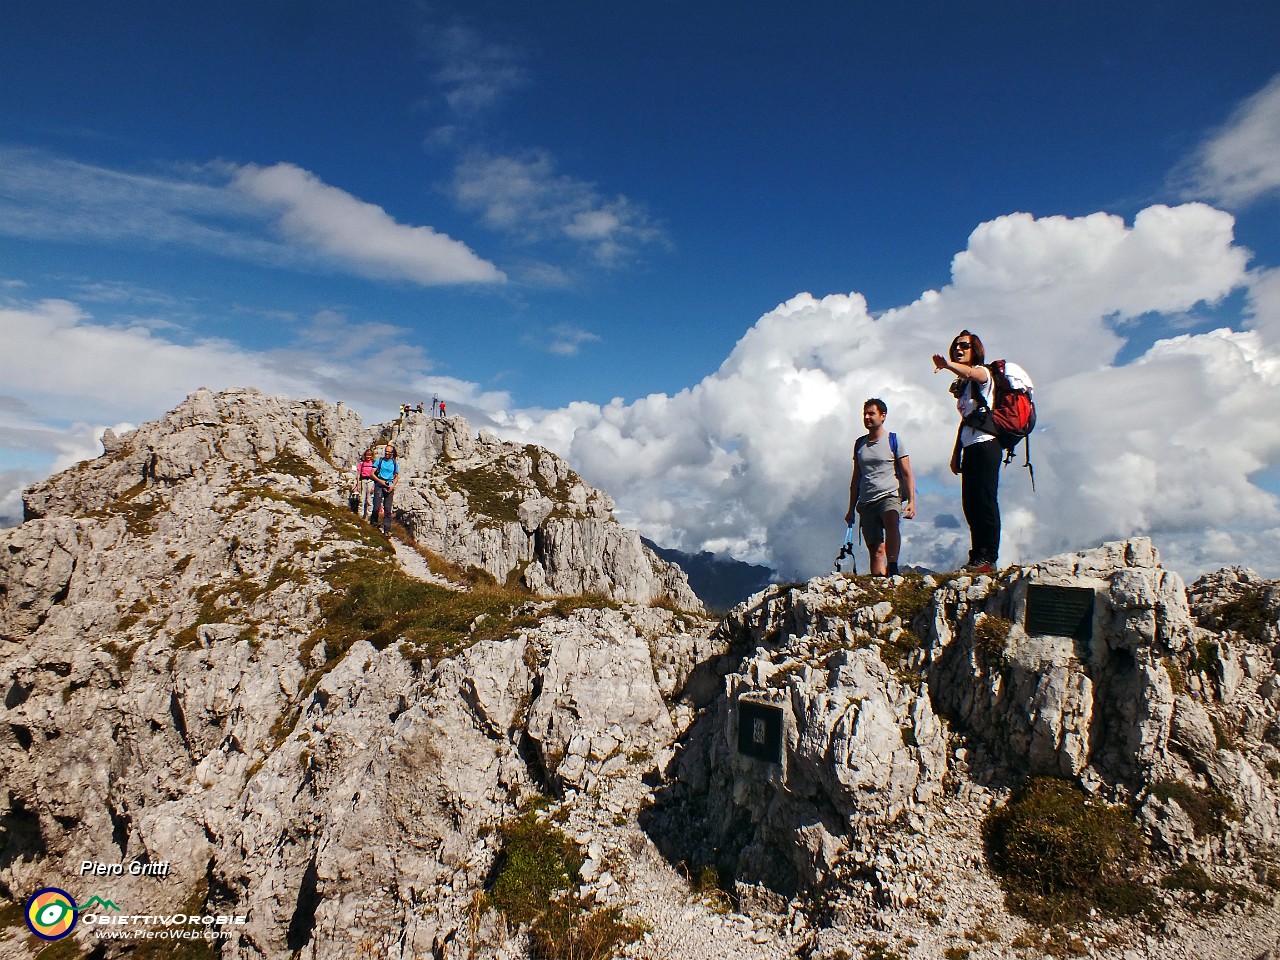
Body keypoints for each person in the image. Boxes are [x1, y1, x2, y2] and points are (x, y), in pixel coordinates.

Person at [932, 329, 1001, 572]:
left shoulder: (983, 373)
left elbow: (971, 372)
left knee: (984, 500)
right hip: (971, 445)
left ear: (976, 350)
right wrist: (956, 453)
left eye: (964, 346)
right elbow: (966, 420)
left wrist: (947, 365)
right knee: (970, 503)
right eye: (956, 346)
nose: (959, 350)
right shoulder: (965, 385)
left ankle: (989, 556)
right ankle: (977, 555)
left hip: (986, 444)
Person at [844, 398, 916, 576]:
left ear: (883, 416)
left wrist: (912, 501)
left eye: (871, 413)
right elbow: (856, 478)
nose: (867, 417)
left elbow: (907, 471)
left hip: (890, 494)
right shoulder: (859, 444)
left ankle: (892, 566)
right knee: (876, 550)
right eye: (865, 414)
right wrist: (851, 509)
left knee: (892, 520)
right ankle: (879, 583)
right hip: (867, 500)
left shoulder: (894, 439)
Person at [370, 443, 399, 535]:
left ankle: (387, 530)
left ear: (392, 453)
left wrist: (392, 485)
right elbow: (372, 473)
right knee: (376, 507)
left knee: (387, 508)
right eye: (386, 451)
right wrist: (380, 481)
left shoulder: (394, 463)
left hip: (389, 485)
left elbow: (397, 476)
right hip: (379, 484)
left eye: (389, 452)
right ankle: (373, 524)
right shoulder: (379, 460)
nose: (387, 453)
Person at [357, 449, 376, 518]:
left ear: (372, 456)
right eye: (367, 455)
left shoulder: (374, 464)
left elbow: (376, 475)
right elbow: (358, 474)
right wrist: (358, 484)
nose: (368, 457)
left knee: (369, 500)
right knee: (362, 499)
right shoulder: (361, 464)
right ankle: (360, 516)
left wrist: (374, 486)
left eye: (370, 455)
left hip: (371, 481)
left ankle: (368, 517)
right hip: (363, 481)